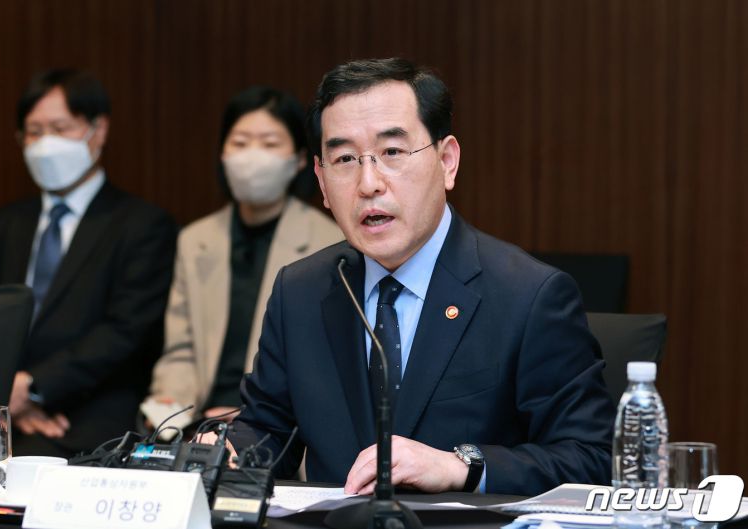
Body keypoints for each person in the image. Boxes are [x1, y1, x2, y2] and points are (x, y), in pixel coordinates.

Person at [223, 58, 615, 496]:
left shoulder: (528, 295)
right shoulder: (300, 291)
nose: (369, 183)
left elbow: (592, 458)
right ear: (321, 180)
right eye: (345, 159)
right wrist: (227, 453)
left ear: (447, 162)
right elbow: (268, 430)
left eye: (392, 153)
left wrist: (460, 466)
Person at [0, 69, 177, 457]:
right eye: (34, 132)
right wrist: (6, 396)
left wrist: (32, 387)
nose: (45, 143)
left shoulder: (142, 225)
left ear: (98, 130)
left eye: (60, 128)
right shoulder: (2, 226)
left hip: (90, 410)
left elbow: (126, 331)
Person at [145, 86, 343, 425]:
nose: (252, 156)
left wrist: (250, 416)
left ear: (299, 159)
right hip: (197, 419)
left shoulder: (330, 242)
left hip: (275, 424)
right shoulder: (195, 240)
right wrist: (169, 411)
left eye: (269, 144)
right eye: (239, 142)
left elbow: (321, 366)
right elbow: (182, 350)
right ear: (222, 153)